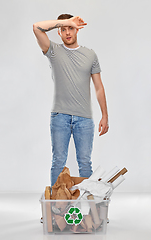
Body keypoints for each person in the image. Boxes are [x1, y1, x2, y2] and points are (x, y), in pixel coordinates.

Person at [33, 14, 109, 187]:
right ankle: (56, 209)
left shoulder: (90, 54)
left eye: (71, 28)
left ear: (77, 30)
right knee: (58, 162)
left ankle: (87, 208)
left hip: (84, 118)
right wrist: (67, 21)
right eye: (64, 29)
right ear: (58, 32)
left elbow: (99, 87)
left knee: (85, 163)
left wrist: (105, 115)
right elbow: (37, 27)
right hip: (60, 117)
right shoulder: (53, 51)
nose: (67, 32)